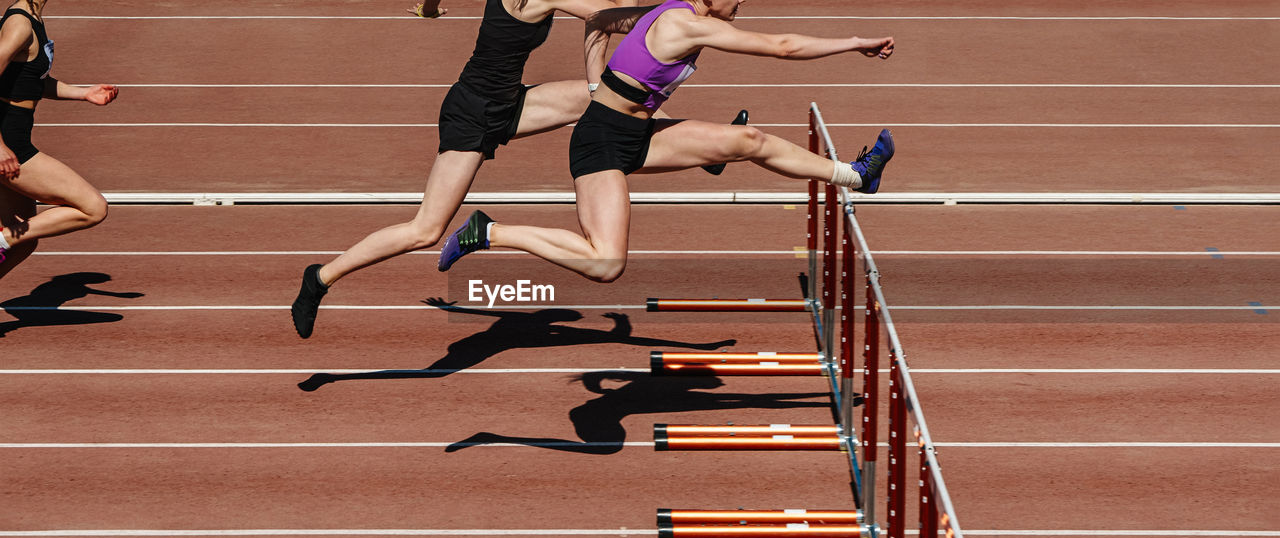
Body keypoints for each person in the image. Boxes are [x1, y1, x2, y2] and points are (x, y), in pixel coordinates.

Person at [290, 0, 739, 338]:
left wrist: (428, 8)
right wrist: (682, 15)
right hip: (472, 113)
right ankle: (322, 277)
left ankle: (706, 153)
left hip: (512, 103)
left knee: (607, 96)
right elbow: (612, 17)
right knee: (425, 230)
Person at [437, 0, 896, 283]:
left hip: (636, 133)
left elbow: (599, 19)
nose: (742, 3)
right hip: (600, 145)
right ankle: (490, 231)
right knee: (606, 263)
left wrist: (597, 82)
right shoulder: (687, 24)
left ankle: (857, 175)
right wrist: (855, 42)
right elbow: (782, 46)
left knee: (749, 140)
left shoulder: (666, 10)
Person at [0, 0, 118, 279]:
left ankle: (5, 239)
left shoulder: (33, 19)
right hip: (9, 143)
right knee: (93, 207)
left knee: (23, 239)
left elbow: (32, 80)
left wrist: (84, 93)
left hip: (14, 138)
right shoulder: (20, 23)